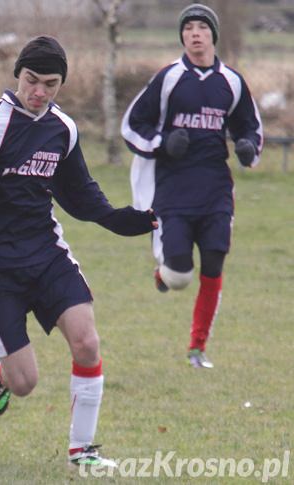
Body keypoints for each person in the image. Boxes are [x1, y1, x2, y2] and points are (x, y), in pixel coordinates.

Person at [0, 36, 157, 469]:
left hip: (46, 252)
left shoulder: (63, 128)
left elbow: (79, 194)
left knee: (87, 342)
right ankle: (3, 373)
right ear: (17, 75)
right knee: (25, 384)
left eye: (50, 84)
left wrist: (121, 219)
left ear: (61, 85)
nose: (39, 92)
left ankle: (83, 452)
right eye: (31, 80)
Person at [121, 3, 263, 369]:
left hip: (216, 189)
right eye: (188, 28)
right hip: (173, 191)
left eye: (201, 27)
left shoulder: (230, 81)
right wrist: (162, 143)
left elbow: (251, 128)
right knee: (180, 277)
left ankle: (197, 348)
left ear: (213, 35)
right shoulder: (169, 78)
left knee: (213, 264)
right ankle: (164, 272)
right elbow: (132, 124)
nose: (194, 33)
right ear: (182, 36)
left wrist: (247, 149)